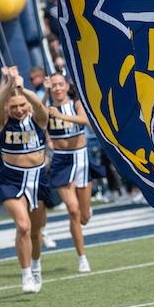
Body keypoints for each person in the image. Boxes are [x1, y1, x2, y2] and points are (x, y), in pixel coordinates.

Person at [0, 66, 51, 292]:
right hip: (11, 179)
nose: (18, 110)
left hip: (38, 179)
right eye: (14, 106)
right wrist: (8, 84)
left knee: (36, 232)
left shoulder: (39, 120)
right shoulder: (2, 122)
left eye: (21, 106)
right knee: (23, 227)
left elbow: (38, 105)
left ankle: (36, 266)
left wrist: (22, 88)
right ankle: (26, 275)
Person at [47, 73, 93, 273]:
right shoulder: (47, 108)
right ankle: (82, 257)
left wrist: (61, 116)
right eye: (54, 85)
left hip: (81, 158)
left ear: (66, 86)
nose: (57, 88)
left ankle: (86, 211)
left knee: (84, 217)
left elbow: (85, 120)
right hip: (61, 160)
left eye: (60, 84)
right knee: (73, 211)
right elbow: (38, 116)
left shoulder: (75, 104)